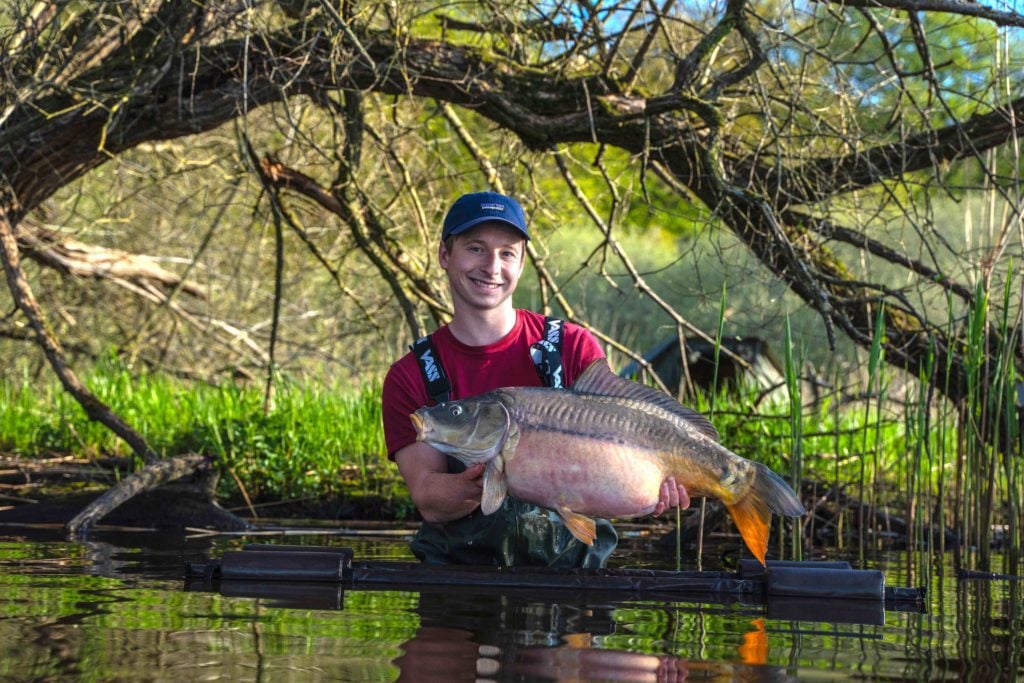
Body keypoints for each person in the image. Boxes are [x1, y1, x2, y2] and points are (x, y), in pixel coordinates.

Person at [381, 191, 689, 566]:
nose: (492, 266)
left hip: (575, 576)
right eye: (475, 248)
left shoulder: (570, 346)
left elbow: (616, 465)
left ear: (522, 262)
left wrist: (652, 485)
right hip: (461, 580)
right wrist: (492, 477)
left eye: (507, 252)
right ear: (446, 256)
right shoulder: (410, 374)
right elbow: (428, 499)